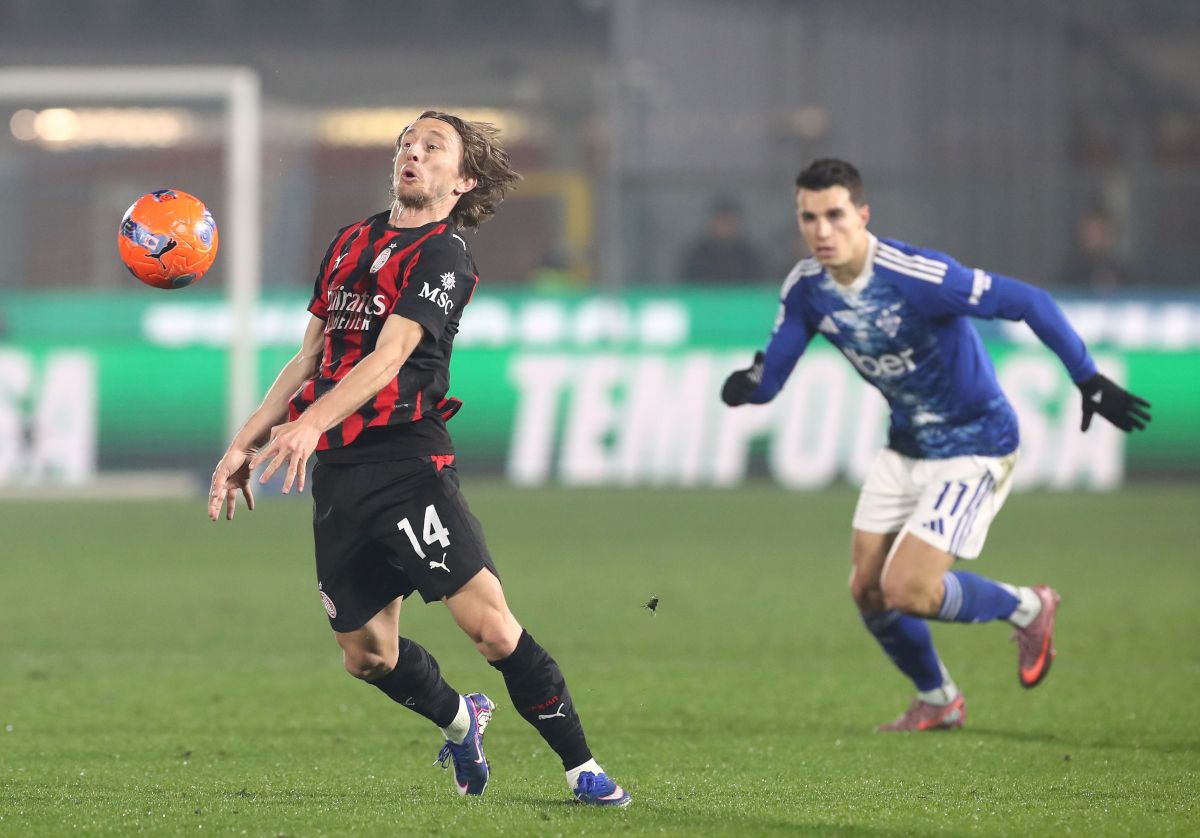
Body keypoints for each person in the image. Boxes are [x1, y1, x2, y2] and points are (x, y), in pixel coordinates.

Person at [207, 111, 630, 806]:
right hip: (340, 470)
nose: (412, 152)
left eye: (433, 148)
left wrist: (309, 424)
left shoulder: (444, 254)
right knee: (365, 656)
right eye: (407, 142)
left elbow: (393, 354)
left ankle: (581, 767)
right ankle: (462, 720)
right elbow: (309, 356)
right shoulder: (350, 240)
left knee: (490, 628)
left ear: (462, 180)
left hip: (408, 464)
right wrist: (245, 441)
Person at [721, 159, 1151, 731]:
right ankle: (939, 698)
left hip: (976, 445)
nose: (822, 231)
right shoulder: (807, 290)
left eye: (835, 215)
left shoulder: (917, 276)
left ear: (862, 214)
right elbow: (772, 379)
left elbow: (1031, 302)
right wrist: (748, 387)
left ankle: (1028, 607)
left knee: (907, 589)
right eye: (809, 217)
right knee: (868, 591)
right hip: (906, 448)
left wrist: (1088, 378)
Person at [677, 198, 765, 284]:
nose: (725, 227)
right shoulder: (695, 258)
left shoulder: (751, 258)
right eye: (721, 221)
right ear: (711, 224)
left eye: (729, 221)